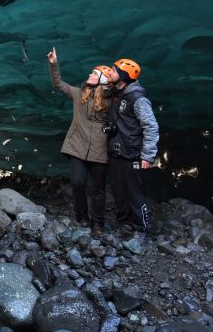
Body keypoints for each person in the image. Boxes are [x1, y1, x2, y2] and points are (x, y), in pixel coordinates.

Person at [46, 47, 112, 236]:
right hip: (77, 147)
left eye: (94, 73)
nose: (90, 74)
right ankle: (82, 216)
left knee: (98, 188)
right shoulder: (78, 94)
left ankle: (98, 223)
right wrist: (53, 64)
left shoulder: (110, 101)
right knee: (78, 183)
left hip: (100, 150)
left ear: (103, 79)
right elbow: (58, 84)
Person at [104, 58, 159, 241]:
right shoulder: (114, 94)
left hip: (133, 154)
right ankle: (124, 224)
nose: (109, 72)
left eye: (113, 70)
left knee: (135, 194)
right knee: (119, 192)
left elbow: (150, 127)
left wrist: (148, 156)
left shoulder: (137, 98)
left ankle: (141, 228)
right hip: (117, 153)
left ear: (123, 75)